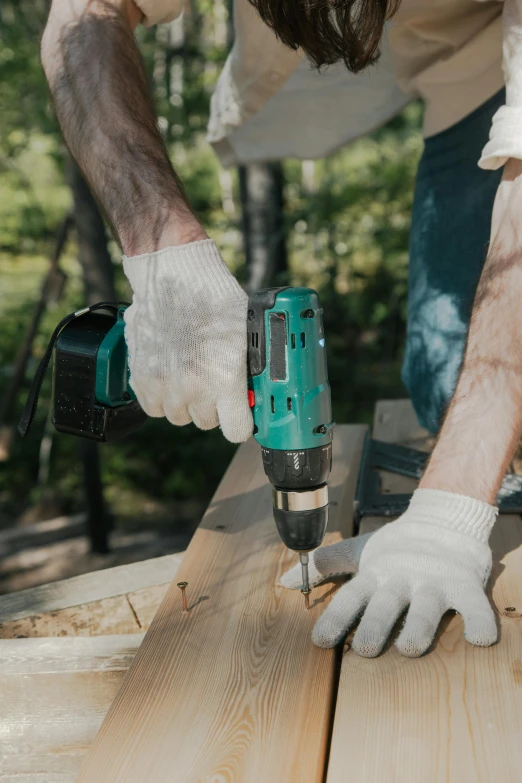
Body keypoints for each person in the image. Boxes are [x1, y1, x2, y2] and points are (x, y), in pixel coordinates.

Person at [40, 0, 522, 657]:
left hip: (500, 68)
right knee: (442, 388)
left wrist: (449, 512)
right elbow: (84, 13)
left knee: (483, 412)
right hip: (453, 77)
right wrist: (162, 253)